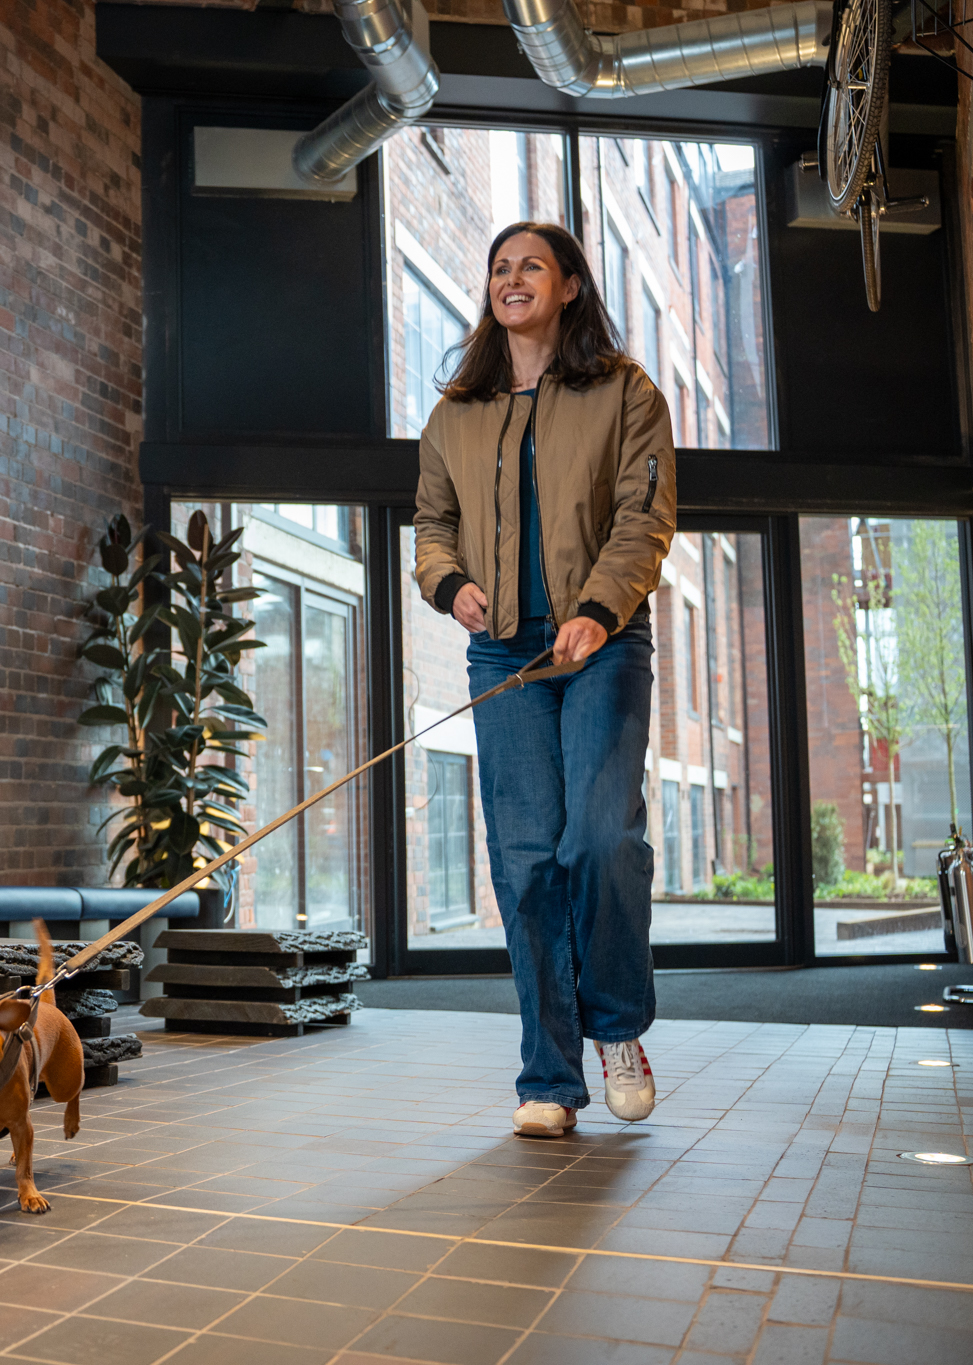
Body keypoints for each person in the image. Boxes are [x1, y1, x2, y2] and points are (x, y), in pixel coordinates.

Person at [413, 221, 678, 1139]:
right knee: (525, 862)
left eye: (530, 265)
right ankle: (548, 1075)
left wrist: (600, 609)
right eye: (498, 267)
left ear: (569, 285)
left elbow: (645, 515)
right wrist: (452, 586)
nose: (510, 278)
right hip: (506, 657)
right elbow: (431, 523)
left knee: (598, 841)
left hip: (601, 645)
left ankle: (616, 1030)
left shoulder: (624, 391)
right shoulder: (458, 409)